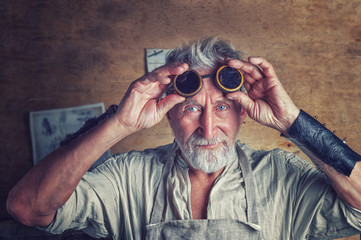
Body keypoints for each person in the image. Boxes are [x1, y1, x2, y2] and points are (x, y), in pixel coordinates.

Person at [6, 37, 361, 239]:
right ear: (168, 113)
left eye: (222, 108)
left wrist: (292, 120)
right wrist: (119, 124)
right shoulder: (130, 178)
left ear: (243, 112)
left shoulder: (282, 178)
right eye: (191, 109)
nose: (208, 129)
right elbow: (27, 208)